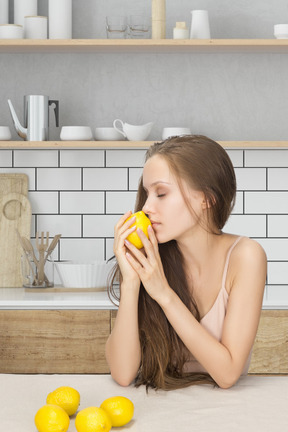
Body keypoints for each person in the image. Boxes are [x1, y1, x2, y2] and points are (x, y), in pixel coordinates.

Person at [106, 135, 267, 391]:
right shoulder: (153, 262)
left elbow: (227, 375)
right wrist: (131, 282)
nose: (146, 207)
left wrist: (164, 295)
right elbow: (123, 374)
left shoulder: (246, 256)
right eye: (146, 194)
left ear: (206, 199)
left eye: (161, 193)